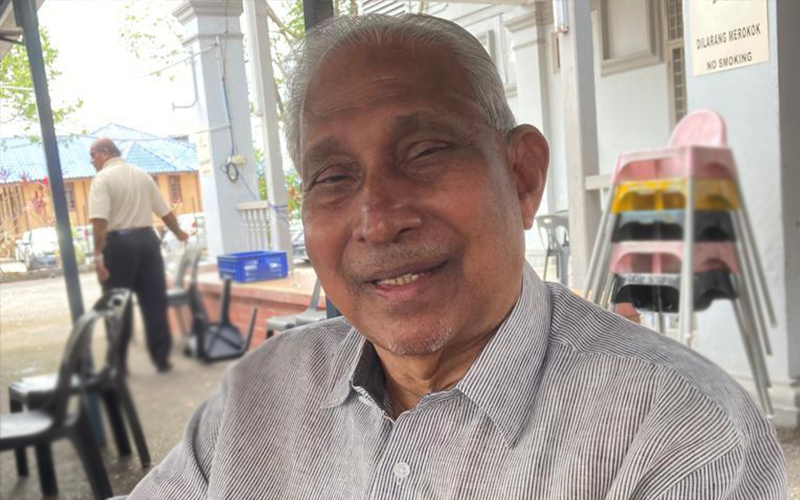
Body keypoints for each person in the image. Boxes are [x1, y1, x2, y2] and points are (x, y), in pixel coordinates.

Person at [122, 14, 786, 499]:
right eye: (334, 176)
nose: (379, 219)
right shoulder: (254, 401)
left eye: (426, 152)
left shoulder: (681, 432)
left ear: (522, 177)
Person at [88, 138, 188, 373]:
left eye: (93, 155)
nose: (92, 161)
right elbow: (165, 212)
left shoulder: (102, 179)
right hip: (147, 243)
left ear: (104, 153)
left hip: (118, 245)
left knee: (117, 304)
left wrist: (98, 255)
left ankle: (118, 364)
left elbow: (100, 221)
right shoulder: (142, 176)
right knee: (154, 302)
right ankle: (162, 359)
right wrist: (179, 233)